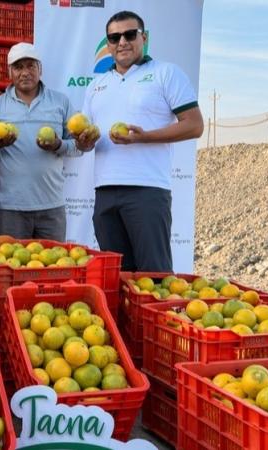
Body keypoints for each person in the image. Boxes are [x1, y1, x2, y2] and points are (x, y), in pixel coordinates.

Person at [75, 11, 204, 272]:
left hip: (147, 190)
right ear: (108, 44)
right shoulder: (97, 85)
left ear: (143, 38)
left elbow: (194, 125)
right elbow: (85, 140)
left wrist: (143, 137)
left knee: (153, 276)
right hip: (105, 191)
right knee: (115, 277)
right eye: (114, 37)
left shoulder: (166, 73)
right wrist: (84, 142)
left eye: (129, 34)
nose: (122, 42)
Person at [0, 42, 81, 242]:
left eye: (30, 66)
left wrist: (58, 145)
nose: (25, 72)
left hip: (52, 205)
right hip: (10, 207)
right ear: (10, 72)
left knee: (54, 269)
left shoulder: (60, 102)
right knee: (12, 269)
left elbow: (78, 147)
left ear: (40, 69)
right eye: (18, 67)